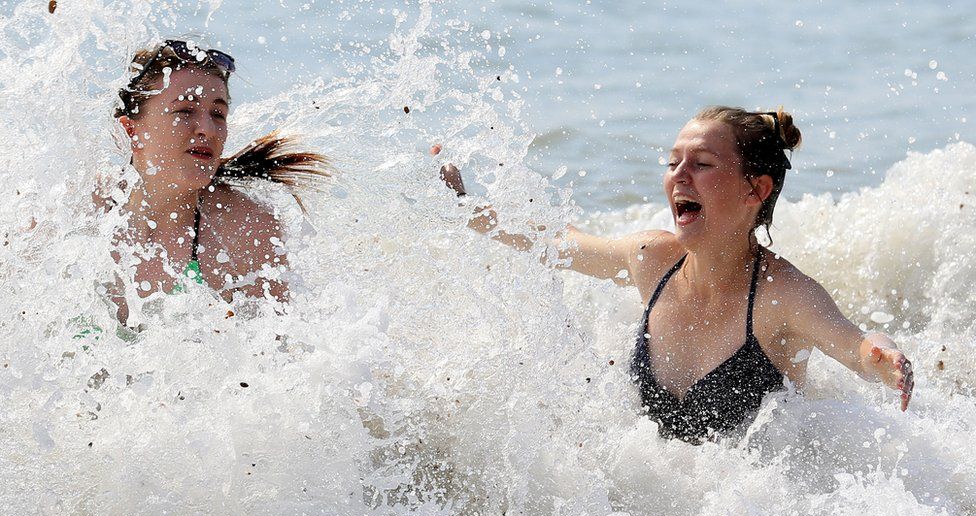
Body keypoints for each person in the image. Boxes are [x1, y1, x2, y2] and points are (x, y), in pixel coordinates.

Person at [439, 106, 914, 444]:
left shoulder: (782, 295)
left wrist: (884, 357)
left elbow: (853, 345)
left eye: (702, 164)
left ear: (756, 189)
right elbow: (556, 242)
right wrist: (468, 209)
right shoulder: (652, 259)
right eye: (673, 162)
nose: (678, 176)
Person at [104, 39, 330, 325]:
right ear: (130, 132)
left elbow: (280, 357)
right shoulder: (76, 215)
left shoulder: (245, 229)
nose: (208, 130)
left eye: (217, 113)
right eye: (185, 111)